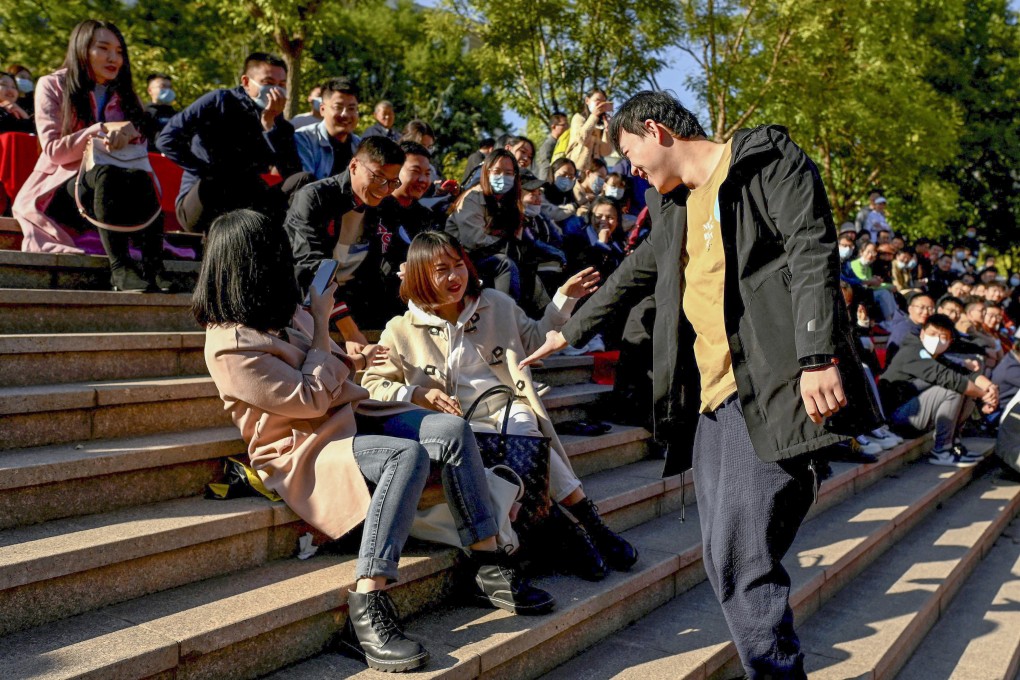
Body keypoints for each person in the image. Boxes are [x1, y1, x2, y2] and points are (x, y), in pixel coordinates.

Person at [519, 91, 880, 679]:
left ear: (656, 130)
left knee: (743, 557)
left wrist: (817, 355)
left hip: (770, 386)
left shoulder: (766, 162)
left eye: (630, 150)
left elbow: (812, 252)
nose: (628, 167)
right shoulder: (673, 207)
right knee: (724, 557)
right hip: (712, 403)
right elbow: (633, 272)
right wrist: (569, 333)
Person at [195, 210, 555, 672]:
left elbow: (320, 365)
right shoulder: (228, 344)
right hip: (302, 448)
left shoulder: (280, 314)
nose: (285, 261)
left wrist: (352, 352)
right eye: (275, 253)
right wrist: (324, 323)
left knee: (450, 430)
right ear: (249, 263)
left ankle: (486, 560)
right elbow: (306, 400)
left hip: (348, 415)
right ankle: (368, 602)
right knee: (404, 456)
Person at [363, 231, 638, 581]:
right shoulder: (401, 330)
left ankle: (588, 527)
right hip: (459, 423)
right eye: (441, 269)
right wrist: (417, 394)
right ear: (419, 275)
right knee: (508, 449)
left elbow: (537, 339)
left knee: (527, 439)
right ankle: (573, 533)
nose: (455, 277)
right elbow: (372, 383)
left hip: (508, 405)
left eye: (459, 265)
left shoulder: (496, 303)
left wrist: (562, 300)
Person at [11, 19, 170, 292]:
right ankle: (120, 268)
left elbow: (140, 146)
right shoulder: (52, 84)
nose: (113, 58)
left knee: (139, 175)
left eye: (119, 52)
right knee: (107, 173)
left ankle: (154, 267)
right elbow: (53, 151)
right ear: (82, 48)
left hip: (117, 187)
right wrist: (97, 132)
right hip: (64, 188)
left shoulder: (126, 93)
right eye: (103, 48)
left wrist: (130, 131)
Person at [156, 52, 304, 233]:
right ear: (246, 82)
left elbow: (292, 173)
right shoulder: (219, 101)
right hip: (204, 199)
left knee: (304, 182)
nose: (275, 91)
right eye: (268, 83)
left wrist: (270, 127)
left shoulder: (280, 125)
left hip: (248, 201)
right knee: (225, 173)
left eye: (281, 85)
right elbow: (166, 140)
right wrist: (206, 172)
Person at [283, 136, 405, 345]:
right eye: (378, 177)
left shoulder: (387, 206)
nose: (384, 189)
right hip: (304, 296)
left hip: (356, 295)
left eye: (393, 182)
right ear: (354, 165)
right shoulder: (314, 198)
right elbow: (312, 265)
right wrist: (349, 332)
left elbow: (396, 254)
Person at [879, 314, 997, 467]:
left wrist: (990, 388)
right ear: (922, 334)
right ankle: (942, 451)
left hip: (916, 414)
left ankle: (954, 445)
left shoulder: (935, 356)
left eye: (943, 336)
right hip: (898, 419)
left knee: (965, 385)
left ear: (949, 341)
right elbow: (950, 378)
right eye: (933, 334)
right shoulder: (913, 351)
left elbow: (963, 373)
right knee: (954, 388)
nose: (937, 339)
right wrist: (984, 396)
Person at [367, 140, 440, 315]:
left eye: (427, 173)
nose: (423, 180)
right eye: (415, 172)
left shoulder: (426, 216)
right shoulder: (373, 208)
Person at [294, 77, 361, 180]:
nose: (346, 114)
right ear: (322, 109)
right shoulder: (304, 139)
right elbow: (306, 188)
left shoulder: (360, 146)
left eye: (351, 108)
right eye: (338, 107)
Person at [564, 88, 613, 174]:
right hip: (576, 169)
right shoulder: (578, 118)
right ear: (587, 100)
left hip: (593, 172)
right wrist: (594, 116)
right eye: (597, 100)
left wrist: (607, 130)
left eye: (603, 101)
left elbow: (606, 152)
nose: (601, 104)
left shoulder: (601, 123)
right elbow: (582, 139)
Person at [850, 242, 899, 322]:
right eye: (868, 251)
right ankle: (889, 320)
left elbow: (872, 284)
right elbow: (865, 283)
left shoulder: (868, 268)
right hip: (858, 293)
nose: (871, 255)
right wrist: (884, 285)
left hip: (867, 292)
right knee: (884, 293)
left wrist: (885, 284)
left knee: (888, 291)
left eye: (873, 253)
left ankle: (895, 315)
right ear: (862, 251)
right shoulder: (856, 264)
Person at [885, 292, 934, 364]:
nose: (926, 312)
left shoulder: (923, 327)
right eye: (921, 307)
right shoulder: (904, 329)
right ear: (910, 309)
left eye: (930, 308)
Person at [140, 73, 176, 149]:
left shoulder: (177, 115)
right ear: (150, 90)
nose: (167, 90)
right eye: (163, 86)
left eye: (170, 87)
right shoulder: (143, 113)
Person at [534, 112, 568, 180]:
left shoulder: (562, 142)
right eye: (564, 125)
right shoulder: (548, 145)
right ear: (553, 126)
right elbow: (545, 167)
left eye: (568, 124)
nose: (567, 127)